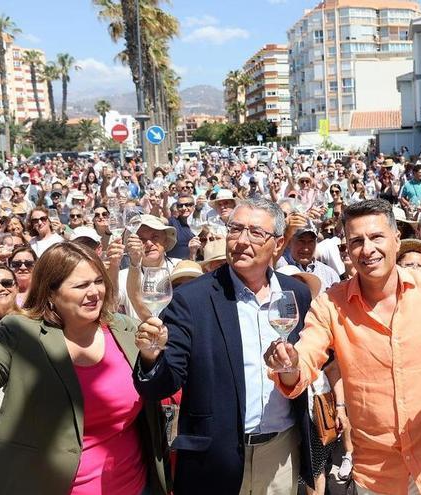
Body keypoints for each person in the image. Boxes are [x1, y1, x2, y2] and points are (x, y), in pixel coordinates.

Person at [264, 199, 421, 495]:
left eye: (376, 237)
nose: (367, 249)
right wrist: (289, 365)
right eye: (357, 241)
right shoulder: (330, 304)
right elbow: (305, 358)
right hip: (376, 475)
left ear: (397, 239)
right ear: (346, 249)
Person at [0, 243, 168, 494]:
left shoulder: (126, 329)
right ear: (51, 293)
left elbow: (156, 390)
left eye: (98, 281)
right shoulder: (20, 332)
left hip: (134, 486)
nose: (94, 293)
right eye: (80, 285)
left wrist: (152, 358)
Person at [133, 199, 316, 495]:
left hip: (281, 452)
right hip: (216, 458)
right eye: (235, 229)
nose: (242, 241)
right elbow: (162, 385)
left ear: (278, 242)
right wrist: (151, 355)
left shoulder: (295, 294)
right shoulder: (192, 299)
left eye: (255, 232)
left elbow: (310, 362)